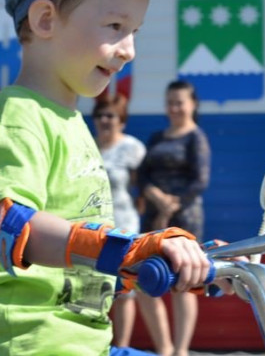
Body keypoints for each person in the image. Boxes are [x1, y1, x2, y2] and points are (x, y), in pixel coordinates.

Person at [0, 0, 211, 356]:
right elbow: (6, 226)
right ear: (45, 20)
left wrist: (191, 262)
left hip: (82, 342)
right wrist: (124, 251)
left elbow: (78, 270)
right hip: (24, 344)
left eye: (134, 31)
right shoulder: (17, 115)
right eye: (115, 27)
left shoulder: (71, 123)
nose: (129, 50)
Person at [137, 80, 211, 356]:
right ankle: (164, 348)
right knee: (144, 280)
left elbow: (200, 181)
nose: (174, 108)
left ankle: (181, 350)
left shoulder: (196, 137)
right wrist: (155, 196)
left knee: (184, 282)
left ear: (193, 104)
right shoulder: (157, 137)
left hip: (185, 219)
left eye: (179, 102)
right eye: (170, 102)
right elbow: (142, 175)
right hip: (153, 218)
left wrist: (171, 206)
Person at [91, 95, 149, 348]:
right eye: (100, 115)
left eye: (110, 115)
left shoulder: (132, 148)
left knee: (124, 288)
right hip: (94, 226)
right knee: (94, 287)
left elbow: (144, 185)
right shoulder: (87, 145)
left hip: (125, 225)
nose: (104, 120)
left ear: (122, 121)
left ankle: (122, 347)